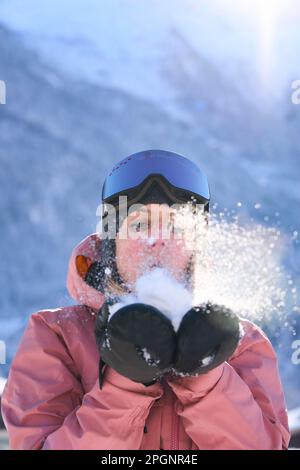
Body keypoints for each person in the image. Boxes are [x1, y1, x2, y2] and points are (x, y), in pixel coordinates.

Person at [1, 150, 290, 450]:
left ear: (195, 249)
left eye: (176, 227)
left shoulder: (239, 342)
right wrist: (125, 382)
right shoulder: (56, 336)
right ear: (110, 244)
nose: (157, 240)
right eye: (139, 225)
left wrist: (207, 380)